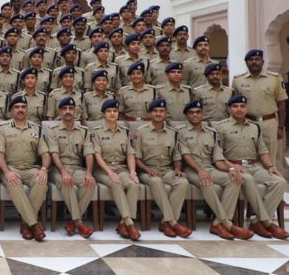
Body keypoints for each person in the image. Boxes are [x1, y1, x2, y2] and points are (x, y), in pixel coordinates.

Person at [215, 95, 289, 239]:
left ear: (246, 109)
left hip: (255, 166)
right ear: (229, 109)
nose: (239, 109)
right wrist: (232, 166)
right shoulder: (220, 127)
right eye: (235, 106)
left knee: (280, 182)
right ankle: (267, 222)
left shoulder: (255, 127)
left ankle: (257, 221)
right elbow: (218, 154)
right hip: (234, 167)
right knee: (247, 178)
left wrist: (270, 166)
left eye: (242, 106)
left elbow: (262, 151)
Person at [178, 100, 254, 240]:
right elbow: (186, 156)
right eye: (191, 113)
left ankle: (218, 224)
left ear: (203, 114)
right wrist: (200, 170)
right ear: (187, 115)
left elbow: (218, 158)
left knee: (235, 179)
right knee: (206, 181)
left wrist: (230, 168)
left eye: (198, 112)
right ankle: (228, 224)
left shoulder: (212, 133)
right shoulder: (181, 133)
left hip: (210, 167)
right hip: (191, 169)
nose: (195, 115)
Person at [133, 98, 192, 238]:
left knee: (182, 182)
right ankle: (172, 222)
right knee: (155, 181)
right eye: (155, 111)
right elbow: (136, 158)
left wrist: (177, 169)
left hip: (166, 169)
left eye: (161, 111)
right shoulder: (141, 132)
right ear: (150, 113)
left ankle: (165, 222)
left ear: (166, 113)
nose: (158, 113)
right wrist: (147, 170)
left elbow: (177, 157)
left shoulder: (173, 133)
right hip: (147, 170)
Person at [0, 96, 49, 242]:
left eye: (23, 107)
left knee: (42, 181)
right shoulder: (1, 128)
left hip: (31, 168)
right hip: (10, 168)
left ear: (27, 110)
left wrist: (43, 169)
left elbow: (45, 153)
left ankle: (25, 223)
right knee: (14, 182)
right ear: (11, 111)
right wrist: (7, 172)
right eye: (17, 107)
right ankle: (33, 224)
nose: (20, 110)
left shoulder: (36, 128)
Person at [92, 99, 141, 241]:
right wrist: (110, 172)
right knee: (116, 183)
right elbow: (97, 156)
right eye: (109, 111)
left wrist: (132, 171)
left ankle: (122, 224)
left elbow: (130, 154)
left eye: (114, 111)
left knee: (133, 184)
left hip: (121, 167)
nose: (112, 114)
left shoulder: (125, 132)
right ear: (103, 114)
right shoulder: (96, 132)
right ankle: (130, 223)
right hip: (103, 169)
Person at [46, 98, 96, 238]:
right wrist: (63, 171)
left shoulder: (83, 131)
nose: (68, 111)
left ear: (76, 111)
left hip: (77, 168)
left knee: (90, 183)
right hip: (58, 168)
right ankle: (79, 223)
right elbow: (54, 154)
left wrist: (89, 172)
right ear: (59, 111)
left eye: (71, 108)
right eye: (64, 109)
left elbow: (89, 153)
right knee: (66, 182)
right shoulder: (53, 130)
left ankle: (73, 223)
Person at [231, 49, 287, 166]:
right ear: (246, 62)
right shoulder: (238, 80)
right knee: (248, 154)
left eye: (257, 59)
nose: (254, 62)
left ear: (262, 61)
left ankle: (270, 180)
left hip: (269, 122)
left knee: (270, 156)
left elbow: (281, 105)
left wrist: (281, 127)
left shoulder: (275, 79)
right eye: (251, 60)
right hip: (247, 122)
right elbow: (233, 105)